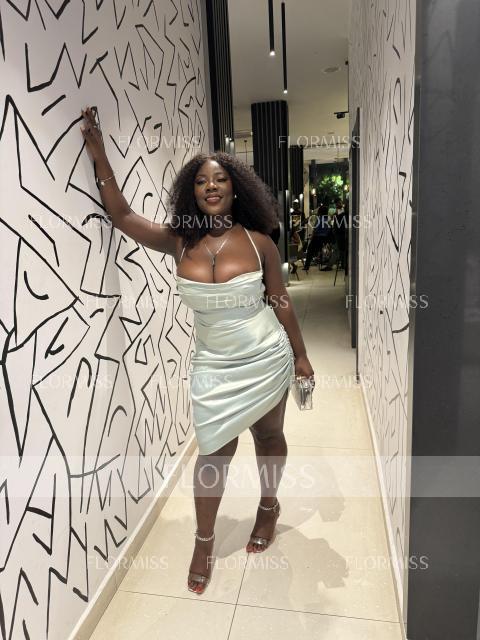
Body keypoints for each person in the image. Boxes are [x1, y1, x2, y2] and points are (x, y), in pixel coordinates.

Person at [80, 107, 315, 596]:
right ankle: (203, 541)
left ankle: (268, 507)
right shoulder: (178, 242)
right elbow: (122, 216)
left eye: (221, 179)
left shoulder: (259, 242)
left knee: (269, 436)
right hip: (212, 363)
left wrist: (300, 356)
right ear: (193, 191)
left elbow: (281, 301)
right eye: (203, 181)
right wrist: (98, 152)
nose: (211, 186)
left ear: (236, 188)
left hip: (265, 356)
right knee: (212, 452)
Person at [302, 205, 332, 272]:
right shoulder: (328, 219)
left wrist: (311, 237)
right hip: (325, 238)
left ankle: (307, 266)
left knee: (309, 250)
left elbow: (315, 230)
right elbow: (329, 229)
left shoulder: (319, 219)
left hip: (317, 237)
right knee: (317, 249)